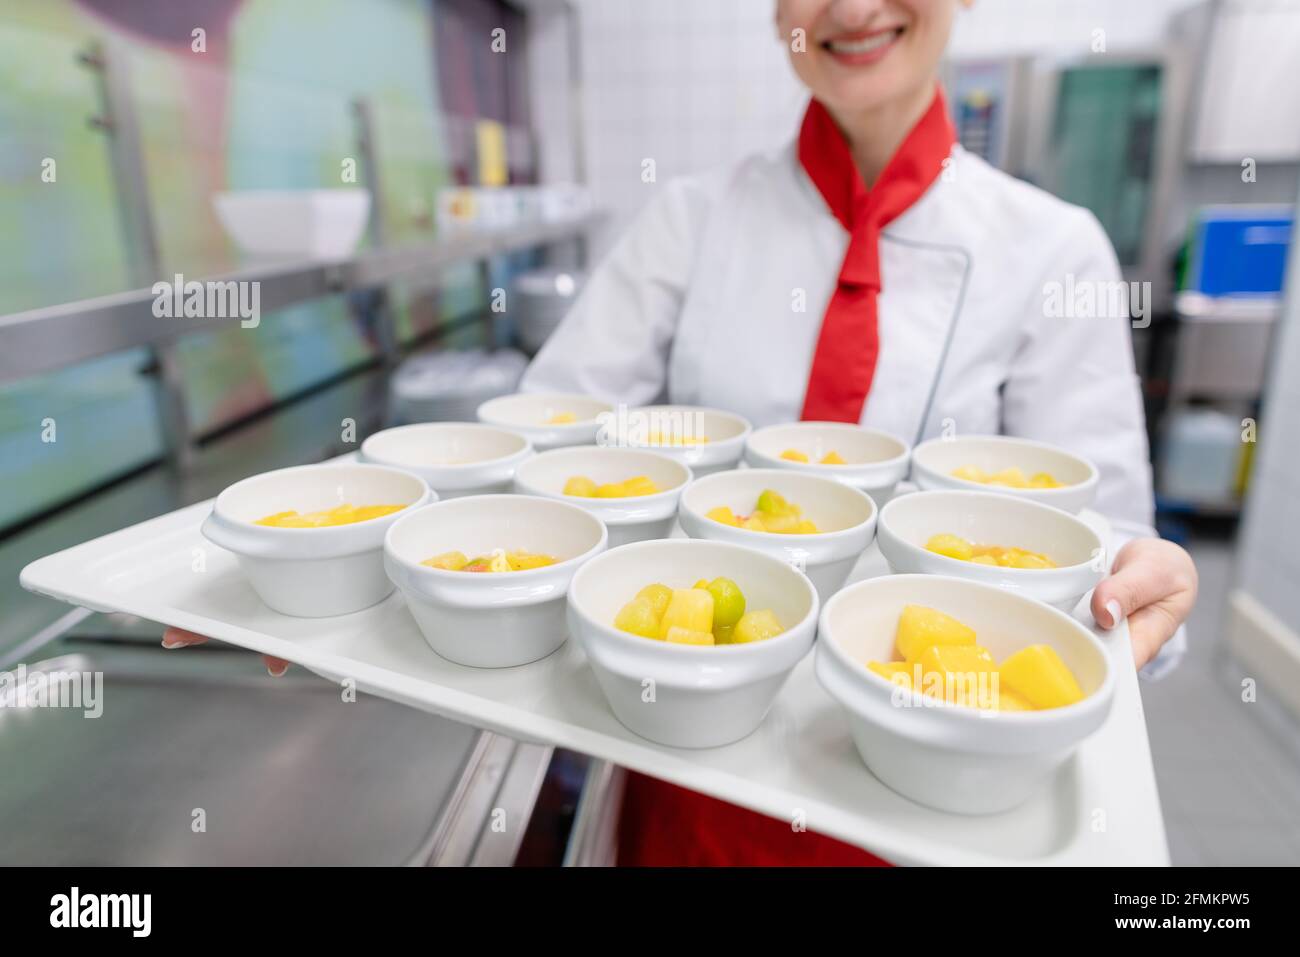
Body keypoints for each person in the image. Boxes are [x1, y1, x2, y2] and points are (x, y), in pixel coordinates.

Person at [166, 0, 1198, 866]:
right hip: (685, 771)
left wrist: (1141, 591)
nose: (847, 8)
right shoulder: (691, 218)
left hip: (949, 788)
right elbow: (546, 452)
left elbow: (1101, 552)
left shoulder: (1055, 250)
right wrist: (325, 577)